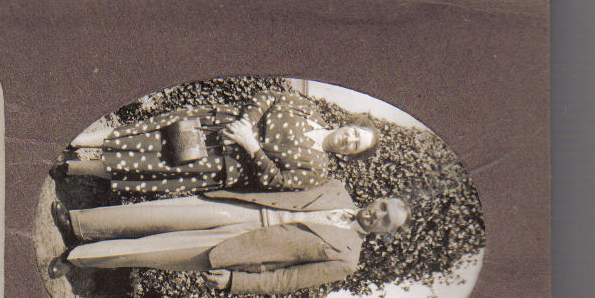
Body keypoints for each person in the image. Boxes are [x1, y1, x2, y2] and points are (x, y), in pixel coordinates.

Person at [54, 186, 411, 294]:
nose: (377, 214)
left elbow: (287, 280)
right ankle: (78, 224)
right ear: (378, 199)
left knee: (153, 250)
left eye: (386, 221)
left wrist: (235, 282)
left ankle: (76, 257)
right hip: (239, 207)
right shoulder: (335, 189)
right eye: (383, 207)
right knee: (153, 214)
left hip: (242, 247)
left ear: (385, 233)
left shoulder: (347, 259)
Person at [65, 90, 381, 197]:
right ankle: (76, 140)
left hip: (217, 164)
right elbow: (269, 96)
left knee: (147, 166)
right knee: (144, 133)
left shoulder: (317, 170)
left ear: (350, 155)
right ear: (349, 124)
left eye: (355, 146)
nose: (350, 140)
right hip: (216, 124)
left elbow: (277, 182)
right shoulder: (307, 109)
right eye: (355, 133)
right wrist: (246, 125)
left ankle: (75, 169)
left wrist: (251, 145)